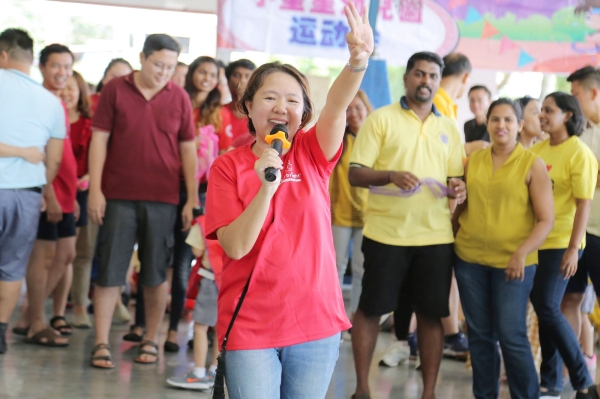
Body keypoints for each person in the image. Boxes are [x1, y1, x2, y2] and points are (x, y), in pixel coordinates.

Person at [204, 3, 372, 398]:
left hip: (315, 321)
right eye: (270, 98)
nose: (282, 107)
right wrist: (267, 183)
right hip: (250, 323)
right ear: (248, 106)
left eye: (293, 101)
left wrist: (357, 62)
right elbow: (237, 245)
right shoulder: (227, 168)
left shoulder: (313, 153)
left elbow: (337, 107)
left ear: (303, 112)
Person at [349, 51, 467, 399]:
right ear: (406, 78)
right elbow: (356, 173)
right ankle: (362, 389)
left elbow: (455, 180)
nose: (425, 81)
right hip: (385, 235)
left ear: (438, 80)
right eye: (419, 74)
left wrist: (459, 187)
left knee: (431, 316)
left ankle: (429, 393)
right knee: (370, 310)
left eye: (432, 75)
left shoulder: (448, 127)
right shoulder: (381, 119)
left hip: (435, 237)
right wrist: (390, 175)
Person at [88, 33, 198, 368]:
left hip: (163, 200)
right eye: (158, 64)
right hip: (117, 196)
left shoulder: (179, 97)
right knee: (109, 271)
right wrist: (95, 189)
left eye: (171, 66)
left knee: (155, 275)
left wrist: (191, 197)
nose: (164, 72)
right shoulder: (115, 89)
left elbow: (188, 150)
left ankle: (151, 339)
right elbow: (99, 140)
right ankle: (101, 343)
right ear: (142, 57)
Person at [452, 98, 555, 399]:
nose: (501, 126)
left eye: (509, 120)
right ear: (488, 124)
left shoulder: (532, 164)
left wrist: (520, 253)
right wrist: (452, 234)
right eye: (495, 119)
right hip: (469, 260)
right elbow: (463, 207)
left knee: (511, 336)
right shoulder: (475, 161)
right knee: (480, 336)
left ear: (520, 125)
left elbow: (546, 219)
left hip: (514, 264)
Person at [529, 92, 598, 399]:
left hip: (563, 242)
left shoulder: (579, 152)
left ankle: (582, 377)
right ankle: (551, 382)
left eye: (548, 110)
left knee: (546, 304)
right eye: (541, 110)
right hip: (537, 241)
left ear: (567, 115)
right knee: (547, 308)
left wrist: (573, 248)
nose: (542, 115)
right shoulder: (538, 150)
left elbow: (584, 204)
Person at [0, 28, 65, 354]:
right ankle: (0, 333)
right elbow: (53, 161)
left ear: (3, 55)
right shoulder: (51, 102)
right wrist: (26, 156)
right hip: (27, 194)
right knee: (12, 268)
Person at [13, 43, 78, 347]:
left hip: (65, 190)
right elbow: (40, 154)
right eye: (56, 66)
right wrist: (48, 192)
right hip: (44, 189)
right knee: (44, 255)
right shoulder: (36, 100)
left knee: (66, 255)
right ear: (41, 67)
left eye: (67, 66)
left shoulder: (59, 103)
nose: (62, 72)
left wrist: (71, 192)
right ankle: (36, 320)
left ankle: (30, 315)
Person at [428, 52, 471, 360]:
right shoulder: (439, 105)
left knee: (447, 272)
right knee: (436, 273)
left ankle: (450, 331)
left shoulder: (448, 106)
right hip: (435, 201)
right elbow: (443, 154)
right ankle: (431, 335)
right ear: (466, 78)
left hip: (446, 199)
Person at [566, 66, 600, 386]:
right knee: (568, 301)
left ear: (593, 93)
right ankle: (575, 374)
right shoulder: (579, 132)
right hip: (575, 233)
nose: (573, 103)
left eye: (576, 95)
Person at [330, 89, 372, 331]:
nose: (354, 114)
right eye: (348, 109)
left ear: (367, 109)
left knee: (360, 269)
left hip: (369, 215)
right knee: (335, 267)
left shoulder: (377, 138)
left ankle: (356, 318)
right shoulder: (339, 139)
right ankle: (333, 317)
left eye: (358, 108)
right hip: (339, 213)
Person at [166, 214, 221, 390]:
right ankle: (215, 370)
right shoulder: (238, 216)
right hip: (230, 282)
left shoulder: (204, 221)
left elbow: (197, 251)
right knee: (222, 329)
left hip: (210, 281)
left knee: (200, 327)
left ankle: (198, 372)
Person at [58, 70, 94, 328]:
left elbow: (99, 157)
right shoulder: (50, 118)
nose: (67, 93)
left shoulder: (89, 124)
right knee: (55, 252)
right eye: (63, 87)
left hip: (84, 191)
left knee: (82, 252)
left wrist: (90, 177)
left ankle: (79, 303)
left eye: (73, 88)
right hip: (54, 191)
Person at [223, 59, 256, 143]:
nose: (242, 80)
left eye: (248, 76)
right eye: (237, 75)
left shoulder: (260, 116)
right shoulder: (216, 112)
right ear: (228, 80)